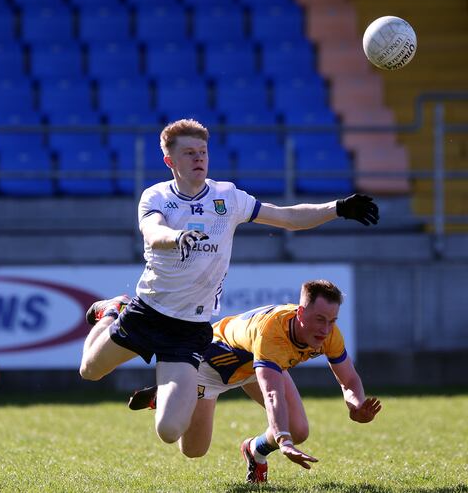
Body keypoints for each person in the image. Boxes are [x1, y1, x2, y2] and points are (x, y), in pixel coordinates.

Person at [78, 119, 379, 451]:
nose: (199, 159)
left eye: (203, 152)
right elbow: (153, 232)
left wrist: (336, 209)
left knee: (169, 431)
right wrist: (177, 237)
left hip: (189, 329)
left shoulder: (227, 197)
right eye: (189, 153)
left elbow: (287, 217)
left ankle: (175, 387)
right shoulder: (157, 196)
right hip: (148, 312)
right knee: (89, 371)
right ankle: (111, 310)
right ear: (170, 161)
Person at [126, 279, 382, 484]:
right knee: (194, 451)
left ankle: (254, 451)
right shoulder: (272, 332)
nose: (325, 330)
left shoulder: (328, 334)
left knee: (299, 430)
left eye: (332, 321)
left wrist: (356, 404)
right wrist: (284, 441)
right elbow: (272, 394)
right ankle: (173, 393)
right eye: (320, 320)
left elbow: (348, 378)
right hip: (211, 367)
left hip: (254, 366)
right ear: (301, 312)